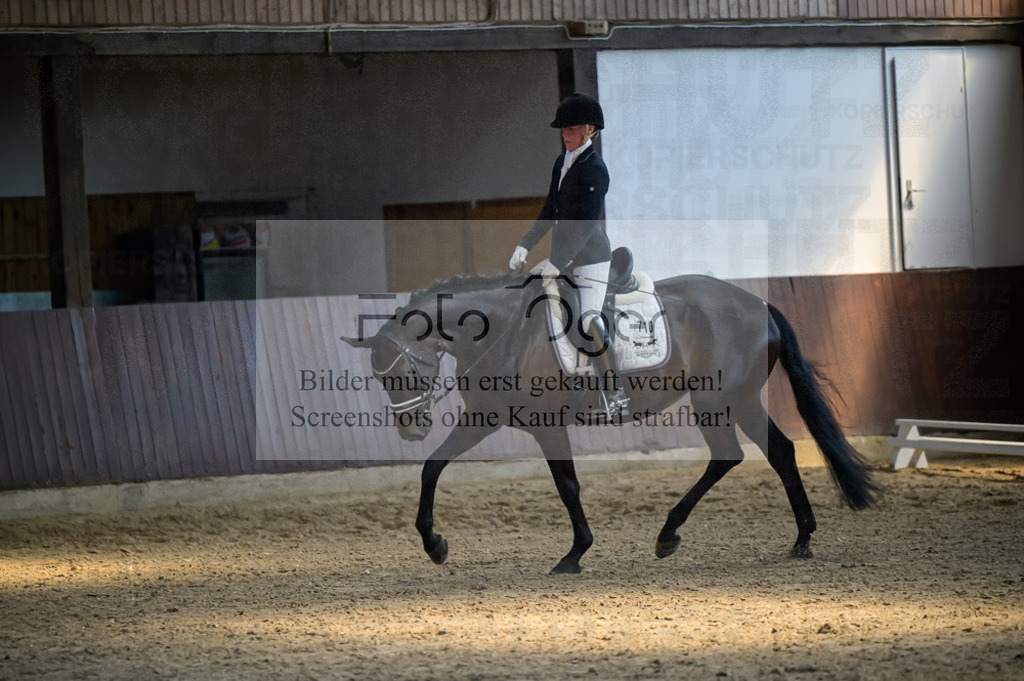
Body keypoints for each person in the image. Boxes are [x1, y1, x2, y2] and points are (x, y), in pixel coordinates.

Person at [508, 92, 628, 418]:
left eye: (572, 129)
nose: (565, 134)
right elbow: (551, 210)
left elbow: (586, 225)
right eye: (563, 129)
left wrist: (557, 263)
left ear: (590, 130)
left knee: (588, 319)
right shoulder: (561, 162)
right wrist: (525, 245)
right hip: (563, 253)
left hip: (590, 257)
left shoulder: (596, 170)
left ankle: (615, 395)